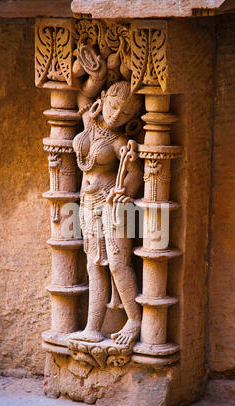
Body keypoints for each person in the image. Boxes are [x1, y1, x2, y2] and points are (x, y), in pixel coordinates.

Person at [71, 46, 143, 346]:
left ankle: (135, 319)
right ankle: (92, 327)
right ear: (106, 99)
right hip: (87, 202)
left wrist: (125, 191)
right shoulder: (91, 120)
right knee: (93, 264)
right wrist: (97, 77)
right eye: (114, 105)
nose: (116, 114)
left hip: (110, 203)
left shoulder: (120, 142)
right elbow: (83, 96)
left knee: (117, 262)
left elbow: (134, 174)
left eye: (126, 113)